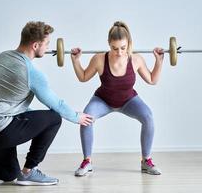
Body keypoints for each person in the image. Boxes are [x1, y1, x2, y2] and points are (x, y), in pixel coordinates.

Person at [0, 21, 93, 190]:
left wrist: (32, 121)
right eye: (47, 43)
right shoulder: (31, 73)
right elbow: (56, 104)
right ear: (35, 45)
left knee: (10, 174)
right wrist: (77, 117)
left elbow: (9, 104)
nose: (48, 48)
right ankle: (29, 170)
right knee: (54, 118)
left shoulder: (1, 57)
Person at [70, 21, 164, 176]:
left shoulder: (136, 60)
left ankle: (146, 161)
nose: (119, 52)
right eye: (114, 48)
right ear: (109, 44)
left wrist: (159, 61)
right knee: (86, 117)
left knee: (148, 117)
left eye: (123, 48)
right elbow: (83, 77)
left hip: (128, 101)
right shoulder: (99, 59)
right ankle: (87, 161)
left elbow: (152, 80)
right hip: (103, 101)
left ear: (129, 44)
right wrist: (76, 61)